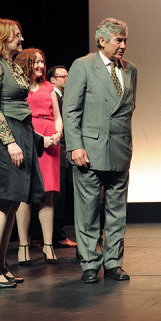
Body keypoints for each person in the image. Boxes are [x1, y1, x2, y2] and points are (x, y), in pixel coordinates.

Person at [0, 19, 47, 289]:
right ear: (3, 38)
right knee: (2, 203)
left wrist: (32, 138)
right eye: (17, 36)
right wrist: (10, 142)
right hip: (3, 140)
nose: (21, 40)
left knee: (12, 204)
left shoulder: (12, 65)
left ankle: (1, 265)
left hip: (20, 135)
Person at [63, 18, 137, 283]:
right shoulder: (83, 66)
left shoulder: (130, 70)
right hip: (90, 150)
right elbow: (70, 110)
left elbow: (129, 109)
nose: (123, 45)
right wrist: (75, 146)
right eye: (119, 40)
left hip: (119, 149)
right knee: (88, 211)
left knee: (117, 211)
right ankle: (90, 264)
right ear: (102, 41)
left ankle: (114, 262)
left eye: (125, 40)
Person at [13, 48, 62, 266]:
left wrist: (57, 133)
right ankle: (24, 245)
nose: (41, 66)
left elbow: (58, 116)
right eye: (36, 62)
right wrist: (41, 138)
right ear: (26, 64)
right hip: (30, 138)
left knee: (48, 195)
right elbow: (20, 118)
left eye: (42, 61)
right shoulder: (19, 87)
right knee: (25, 195)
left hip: (52, 141)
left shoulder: (49, 87)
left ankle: (48, 245)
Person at [47, 65, 76, 249]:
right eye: (62, 76)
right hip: (56, 146)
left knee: (59, 193)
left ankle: (52, 234)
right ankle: (57, 236)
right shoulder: (53, 97)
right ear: (52, 80)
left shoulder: (66, 97)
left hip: (63, 147)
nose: (67, 78)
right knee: (56, 194)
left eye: (67, 76)